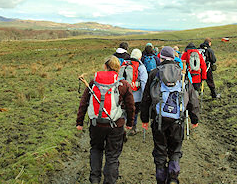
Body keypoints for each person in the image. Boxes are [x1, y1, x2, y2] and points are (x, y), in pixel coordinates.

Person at [141, 46, 200, 184]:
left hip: (159, 119)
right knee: (175, 149)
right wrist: (194, 118)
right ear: (174, 58)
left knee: (160, 150)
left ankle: (161, 178)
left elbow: (146, 98)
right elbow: (192, 98)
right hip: (177, 120)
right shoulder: (182, 74)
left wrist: (144, 119)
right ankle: (173, 177)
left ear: (161, 57)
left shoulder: (154, 73)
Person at [76, 55, 135, 184]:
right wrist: (130, 123)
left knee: (96, 150)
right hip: (116, 126)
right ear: (118, 69)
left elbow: (84, 102)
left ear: (105, 67)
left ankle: (95, 180)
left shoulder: (93, 82)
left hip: (96, 124)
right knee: (112, 156)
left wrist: (79, 122)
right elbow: (130, 106)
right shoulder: (123, 84)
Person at [127, 48, 148, 135]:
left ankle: (125, 126)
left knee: (126, 110)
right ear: (140, 57)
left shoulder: (125, 64)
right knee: (134, 111)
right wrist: (145, 96)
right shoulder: (141, 67)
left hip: (126, 94)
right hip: (137, 95)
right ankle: (133, 128)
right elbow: (144, 82)